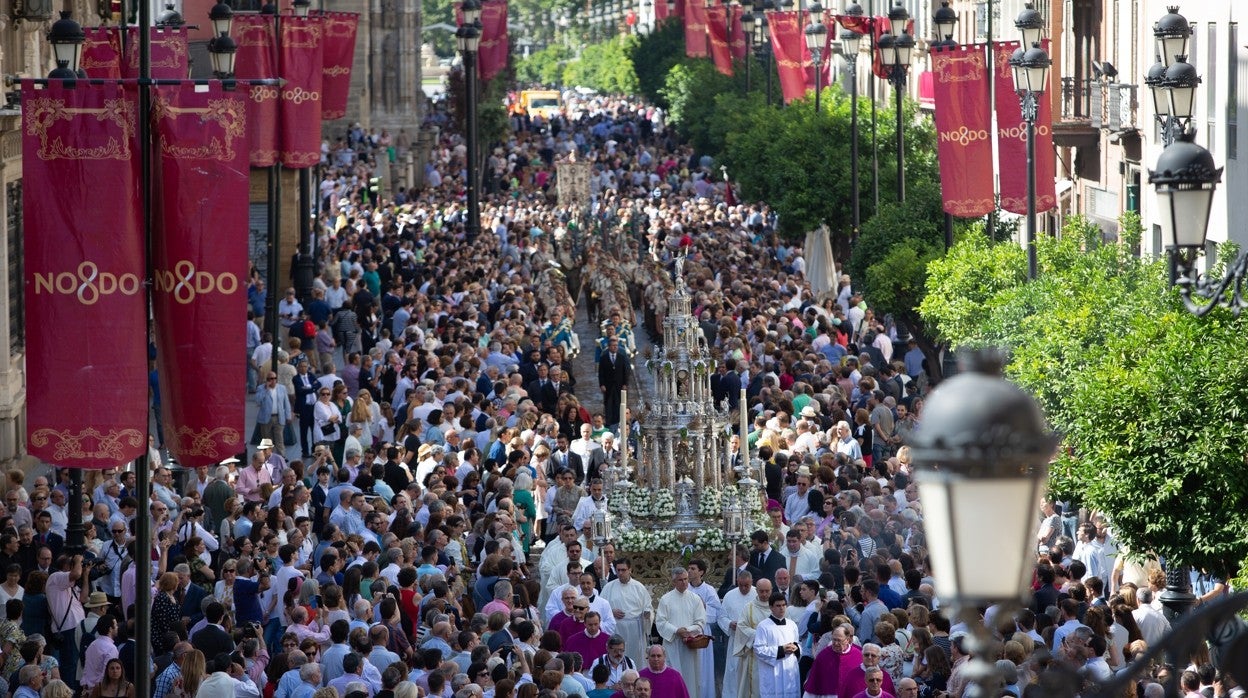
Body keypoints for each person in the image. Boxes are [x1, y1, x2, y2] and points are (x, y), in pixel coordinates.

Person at [654, 567, 705, 698]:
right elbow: (660, 622)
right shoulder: (666, 599)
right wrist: (676, 631)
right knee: (673, 675)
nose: (684, 582)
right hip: (673, 645)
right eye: (680, 580)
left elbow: (700, 622)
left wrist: (687, 631)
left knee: (691, 678)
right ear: (673, 582)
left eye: (686, 579)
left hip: (689, 645)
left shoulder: (695, 599)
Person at [600, 558, 652, 669]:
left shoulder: (639, 587)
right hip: (617, 627)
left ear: (630, 570)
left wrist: (647, 615)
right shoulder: (609, 587)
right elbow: (601, 607)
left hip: (635, 629)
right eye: (618, 570)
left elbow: (648, 607)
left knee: (635, 657)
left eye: (623, 570)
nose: (620, 573)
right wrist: (611, 611)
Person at [754, 592, 801, 698]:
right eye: (778, 606)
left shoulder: (791, 624)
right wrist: (781, 650)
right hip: (773, 672)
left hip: (790, 671)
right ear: (771, 607)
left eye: (784, 605)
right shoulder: (763, 626)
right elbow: (759, 650)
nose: (782, 608)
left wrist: (796, 648)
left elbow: (798, 643)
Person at [803, 625, 862, 698]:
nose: (836, 643)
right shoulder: (823, 655)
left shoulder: (858, 656)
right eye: (834, 640)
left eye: (839, 640)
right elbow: (814, 680)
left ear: (847, 640)